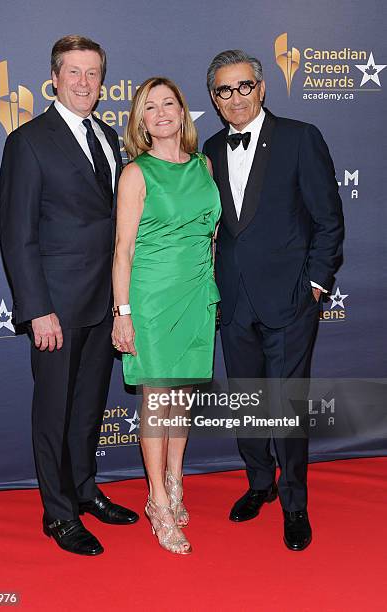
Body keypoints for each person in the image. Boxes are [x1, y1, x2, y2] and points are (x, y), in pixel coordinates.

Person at [0, 35, 138, 557]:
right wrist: (37, 309)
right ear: (54, 78)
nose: (85, 83)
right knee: (53, 414)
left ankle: (84, 491)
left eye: (94, 73)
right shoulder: (29, 141)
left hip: (105, 305)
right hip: (55, 307)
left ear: (103, 80)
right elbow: (17, 235)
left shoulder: (108, 136)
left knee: (88, 410)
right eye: (74, 73)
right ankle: (57, 515)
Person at [203, 50, 344, 551]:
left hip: (290, 299)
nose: (236, 97)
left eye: (244, 86)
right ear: (215, 101)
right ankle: (259, 483)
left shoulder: (300, 137)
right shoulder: (211, 149)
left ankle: (294, 502)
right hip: (233, 299)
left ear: (262, 89)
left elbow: (328, 219)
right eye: (225, 90)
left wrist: (315, 283)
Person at [111, 77, 221, 554]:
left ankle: (176, 481)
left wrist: (209, 289)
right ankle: (157, 498)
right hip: (152, 299)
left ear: (182, 112)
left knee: (182, 398)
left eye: (168, 104)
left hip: (197, 295)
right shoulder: (136, 173)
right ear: (141, 119)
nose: (160, 113)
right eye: (149, 107)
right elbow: (123, 250)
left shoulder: (204, 165)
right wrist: (124, 313)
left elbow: (211, 238)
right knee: (158, 402)